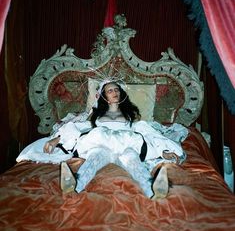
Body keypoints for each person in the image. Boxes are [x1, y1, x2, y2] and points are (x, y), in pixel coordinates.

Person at [42, 81, 187, 200]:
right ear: (104, 96)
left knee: (134, 162)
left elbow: (147, 132)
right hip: (101, 144)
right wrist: (56, 139)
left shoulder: (130, 115)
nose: (114, 92)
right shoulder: (96, 116)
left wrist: (164, 151)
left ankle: (153, 191)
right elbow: (78, 127)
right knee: (94, 158)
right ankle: (74, 186)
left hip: (126, 145)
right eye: (110, 90)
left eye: (116, 89)